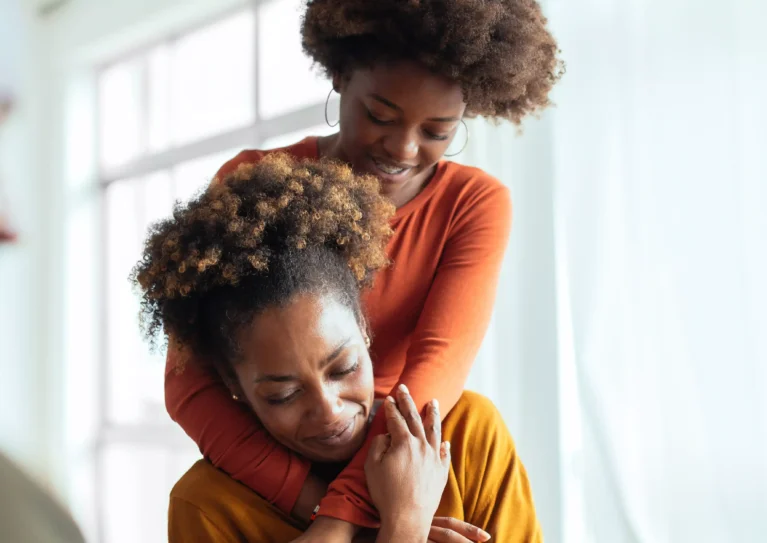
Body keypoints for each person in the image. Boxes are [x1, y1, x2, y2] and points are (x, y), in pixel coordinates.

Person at [164, 0, 563, 537]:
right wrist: (326, 511)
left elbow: (436, 368)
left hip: (401, 454)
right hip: (277, 464)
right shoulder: (253, 182)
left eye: (439, 131)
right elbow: (190, 385)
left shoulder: (473, 205)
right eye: (380, 115)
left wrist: (345, 515)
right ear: (340, 74)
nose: (402, 148)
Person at [134, 153, 541, 541]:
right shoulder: (210, 507)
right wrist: (403, 530)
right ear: (233, 384)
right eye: (284, 394)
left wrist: (377, 520)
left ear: (365, 330)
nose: (328, 409)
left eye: (343, 368)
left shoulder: (466, 437)